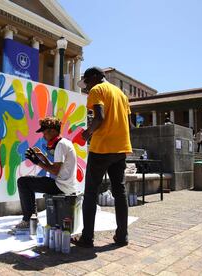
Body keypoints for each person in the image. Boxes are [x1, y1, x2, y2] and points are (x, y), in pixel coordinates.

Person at [74, 67, 132, 248]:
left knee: (91, 192)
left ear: (95, 77)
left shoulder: (97, 90)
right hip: (120, 149)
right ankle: (122, 236)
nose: (86, 87)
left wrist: (87, 133)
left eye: (87, 82)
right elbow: (129, 124)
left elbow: (99, 117)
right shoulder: (121, 94)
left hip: (101, 149)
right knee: (119, 192)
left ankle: (87, 238)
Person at [14, 117, 77, 229]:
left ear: (52, 131)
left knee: (23, 182)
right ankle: (31, 218)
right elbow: (55, 168)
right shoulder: (64, 142)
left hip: (62, 187)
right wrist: (42, 157)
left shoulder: (60, 145)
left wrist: (37, 162)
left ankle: (29, 220)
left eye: (45, 133)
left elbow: (54, 171)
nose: (43, 136)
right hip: (64, 184)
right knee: (26, 182)